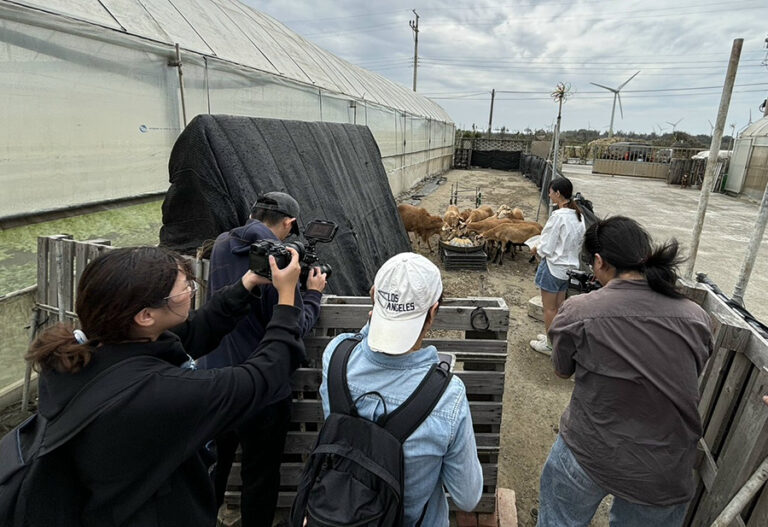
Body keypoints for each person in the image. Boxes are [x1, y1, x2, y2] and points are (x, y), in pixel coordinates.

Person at [22, 245, 305, 526]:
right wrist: (287, 299)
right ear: (145, 316)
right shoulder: (159, 393)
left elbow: (196, 330)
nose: (192, 291)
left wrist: (249, 283)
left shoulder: (80, 356)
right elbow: (263, 377)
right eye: (185, 287)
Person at [537, 216, 713, 527]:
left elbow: (562, 371)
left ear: (600, 262)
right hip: (664, 466)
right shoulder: (696, 316)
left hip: (590, 448)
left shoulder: (580, 311)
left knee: (558, 518)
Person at [319, 252, 483, 526]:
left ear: (373, 297)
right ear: (433, 312)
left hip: (338, 510)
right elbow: (467, 497)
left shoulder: (335, 356)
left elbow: (360, 342)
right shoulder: (447, 397)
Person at [198, 191, 327, 527]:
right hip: (263, 388)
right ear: (288, 223)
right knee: (260, 473)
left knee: (214, 465)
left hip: (216, 378)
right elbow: (293, 323)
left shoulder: (224, 242)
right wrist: (311, 294)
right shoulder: (280, 259)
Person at [529, 176, 586, 355]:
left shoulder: (558, 216)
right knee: (560, 307)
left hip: (554, 267)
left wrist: (536, 249)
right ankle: (555, 339)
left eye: (551, 191)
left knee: (550, 308)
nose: (549, 194)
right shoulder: (579, 216)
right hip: (569, 269)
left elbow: (547, 246)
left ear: (558, 193)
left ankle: (550, 345)